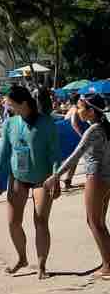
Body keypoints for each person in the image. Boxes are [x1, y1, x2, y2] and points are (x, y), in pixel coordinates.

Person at [0, 84, 61, 279]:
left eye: (10, 104)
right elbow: (3, 151)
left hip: (42, 179)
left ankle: (41, 265)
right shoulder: (10, 123)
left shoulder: (46, 123)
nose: (7, 107)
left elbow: (55, 154)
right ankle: (22, 258)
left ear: (23, 103)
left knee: (40, 221)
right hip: (18, 177)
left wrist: (55, 178)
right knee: (13, 223)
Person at [46, 93, 110, 278]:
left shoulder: (93, 130)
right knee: (100, 223)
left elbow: (76, 154)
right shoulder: (105, 127)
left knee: (93, 222)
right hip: (106, 177)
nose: (77, 110)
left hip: (96, 177)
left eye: (80, 107)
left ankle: (107, 266)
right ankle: (108, 261)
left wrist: (55, 176)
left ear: (91, 111)